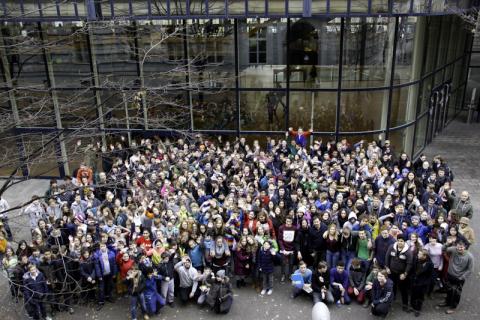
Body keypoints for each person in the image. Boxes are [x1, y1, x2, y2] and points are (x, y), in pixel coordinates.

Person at [438, 240, 474, 314]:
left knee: (456, 293)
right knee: (448, 290)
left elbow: (470, 270)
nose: (459, 249)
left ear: (465, 247)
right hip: (449, 275)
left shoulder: (469, 256)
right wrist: (447, 243)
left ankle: (453, 307)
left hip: (459, 278)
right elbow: (443, 249)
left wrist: (462, 277)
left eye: (461, 247)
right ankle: (447, 302)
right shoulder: (453, 249)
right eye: (458, 247)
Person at [384, 235, 413, 312]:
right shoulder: (391, 247)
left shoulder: (408, 251)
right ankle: (391, 299)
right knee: (391, 286)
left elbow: (409, 264)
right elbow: (387, 257)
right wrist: (387, 267)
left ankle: (405, 304)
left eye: (401, 241)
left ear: (404, 242)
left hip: (401, 274)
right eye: (398, 240)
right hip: (391, 272)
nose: (399, 242)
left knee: (403, 290)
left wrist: (405, 274)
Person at [410, 249, 434, 317]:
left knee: (420, 297)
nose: (418, 255)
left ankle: (418, 309)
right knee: (413, 295)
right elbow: (413, 269)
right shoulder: (416, 260)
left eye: (420, 254)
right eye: (418, 253)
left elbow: (431, 276)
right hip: (414, 281)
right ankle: (413, 306)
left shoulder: (429, 264)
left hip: (422, 284)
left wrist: (426, 283)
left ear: (425, 256)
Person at [94, 242, 118, 309]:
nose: (102, 247)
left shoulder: (111, 253)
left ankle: (109, 297)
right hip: (102, 275)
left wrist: (114, 273)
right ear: (99, 247)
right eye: (101, 246)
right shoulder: (97, 255)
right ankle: (101, 302)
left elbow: (114, 264)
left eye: (103, 246)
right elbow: (97, 266)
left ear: (106, 246)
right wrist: (99, 276)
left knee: (109, 286)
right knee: (101, 288)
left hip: (109, 274)